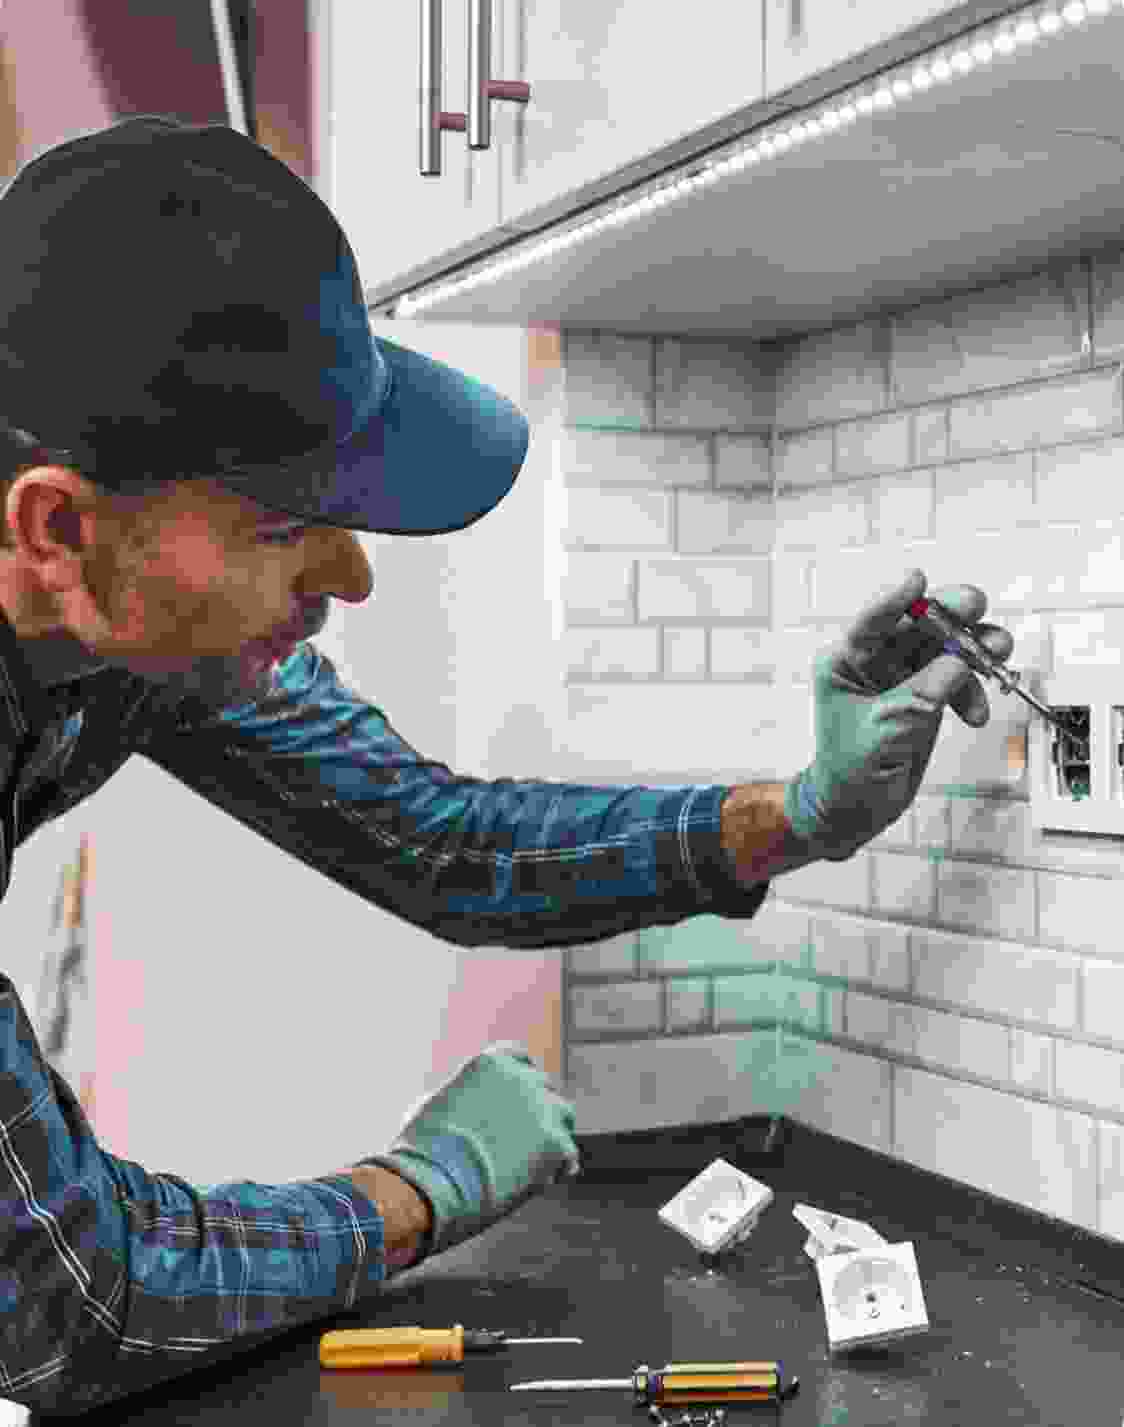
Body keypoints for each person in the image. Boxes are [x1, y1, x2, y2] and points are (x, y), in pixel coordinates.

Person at [0, 114, 1015, 1415]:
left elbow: (437, 840)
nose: (351, 575)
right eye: (290, 525)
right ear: (59, 529)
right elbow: (77, 1301)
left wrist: (803, 815)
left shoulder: (140, 631)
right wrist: (419, 1190)